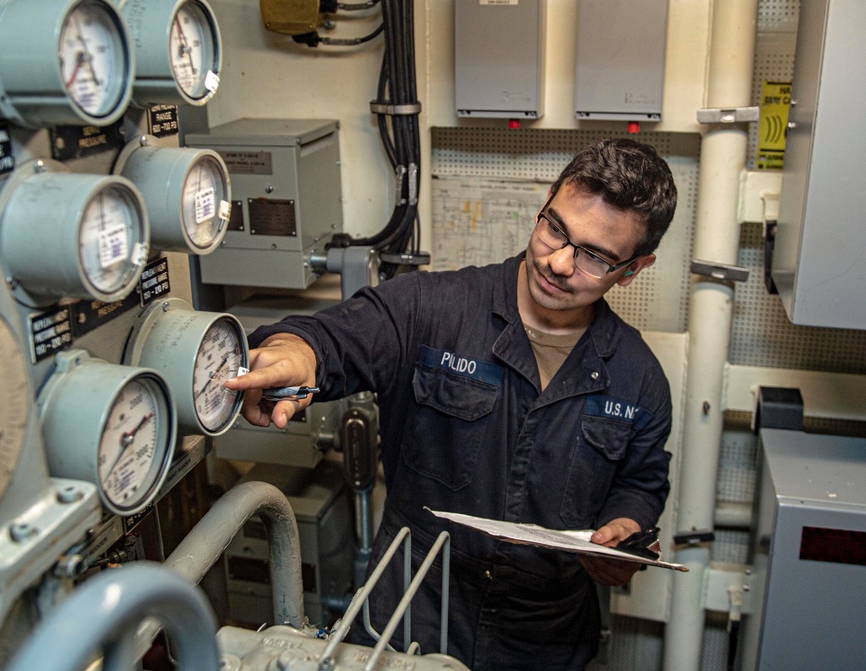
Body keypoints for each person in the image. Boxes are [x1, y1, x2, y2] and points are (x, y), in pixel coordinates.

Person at [225, 138, 677, 670]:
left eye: (595, 257)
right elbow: (334, 337)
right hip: (413, 614)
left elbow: (640, 483)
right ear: (549, 198)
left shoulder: (638, 379)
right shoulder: (432, 309)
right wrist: (296, 351)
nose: (557, 262)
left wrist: (624, 527)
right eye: (555, 228)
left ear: (634, 268)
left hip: (543, 638)